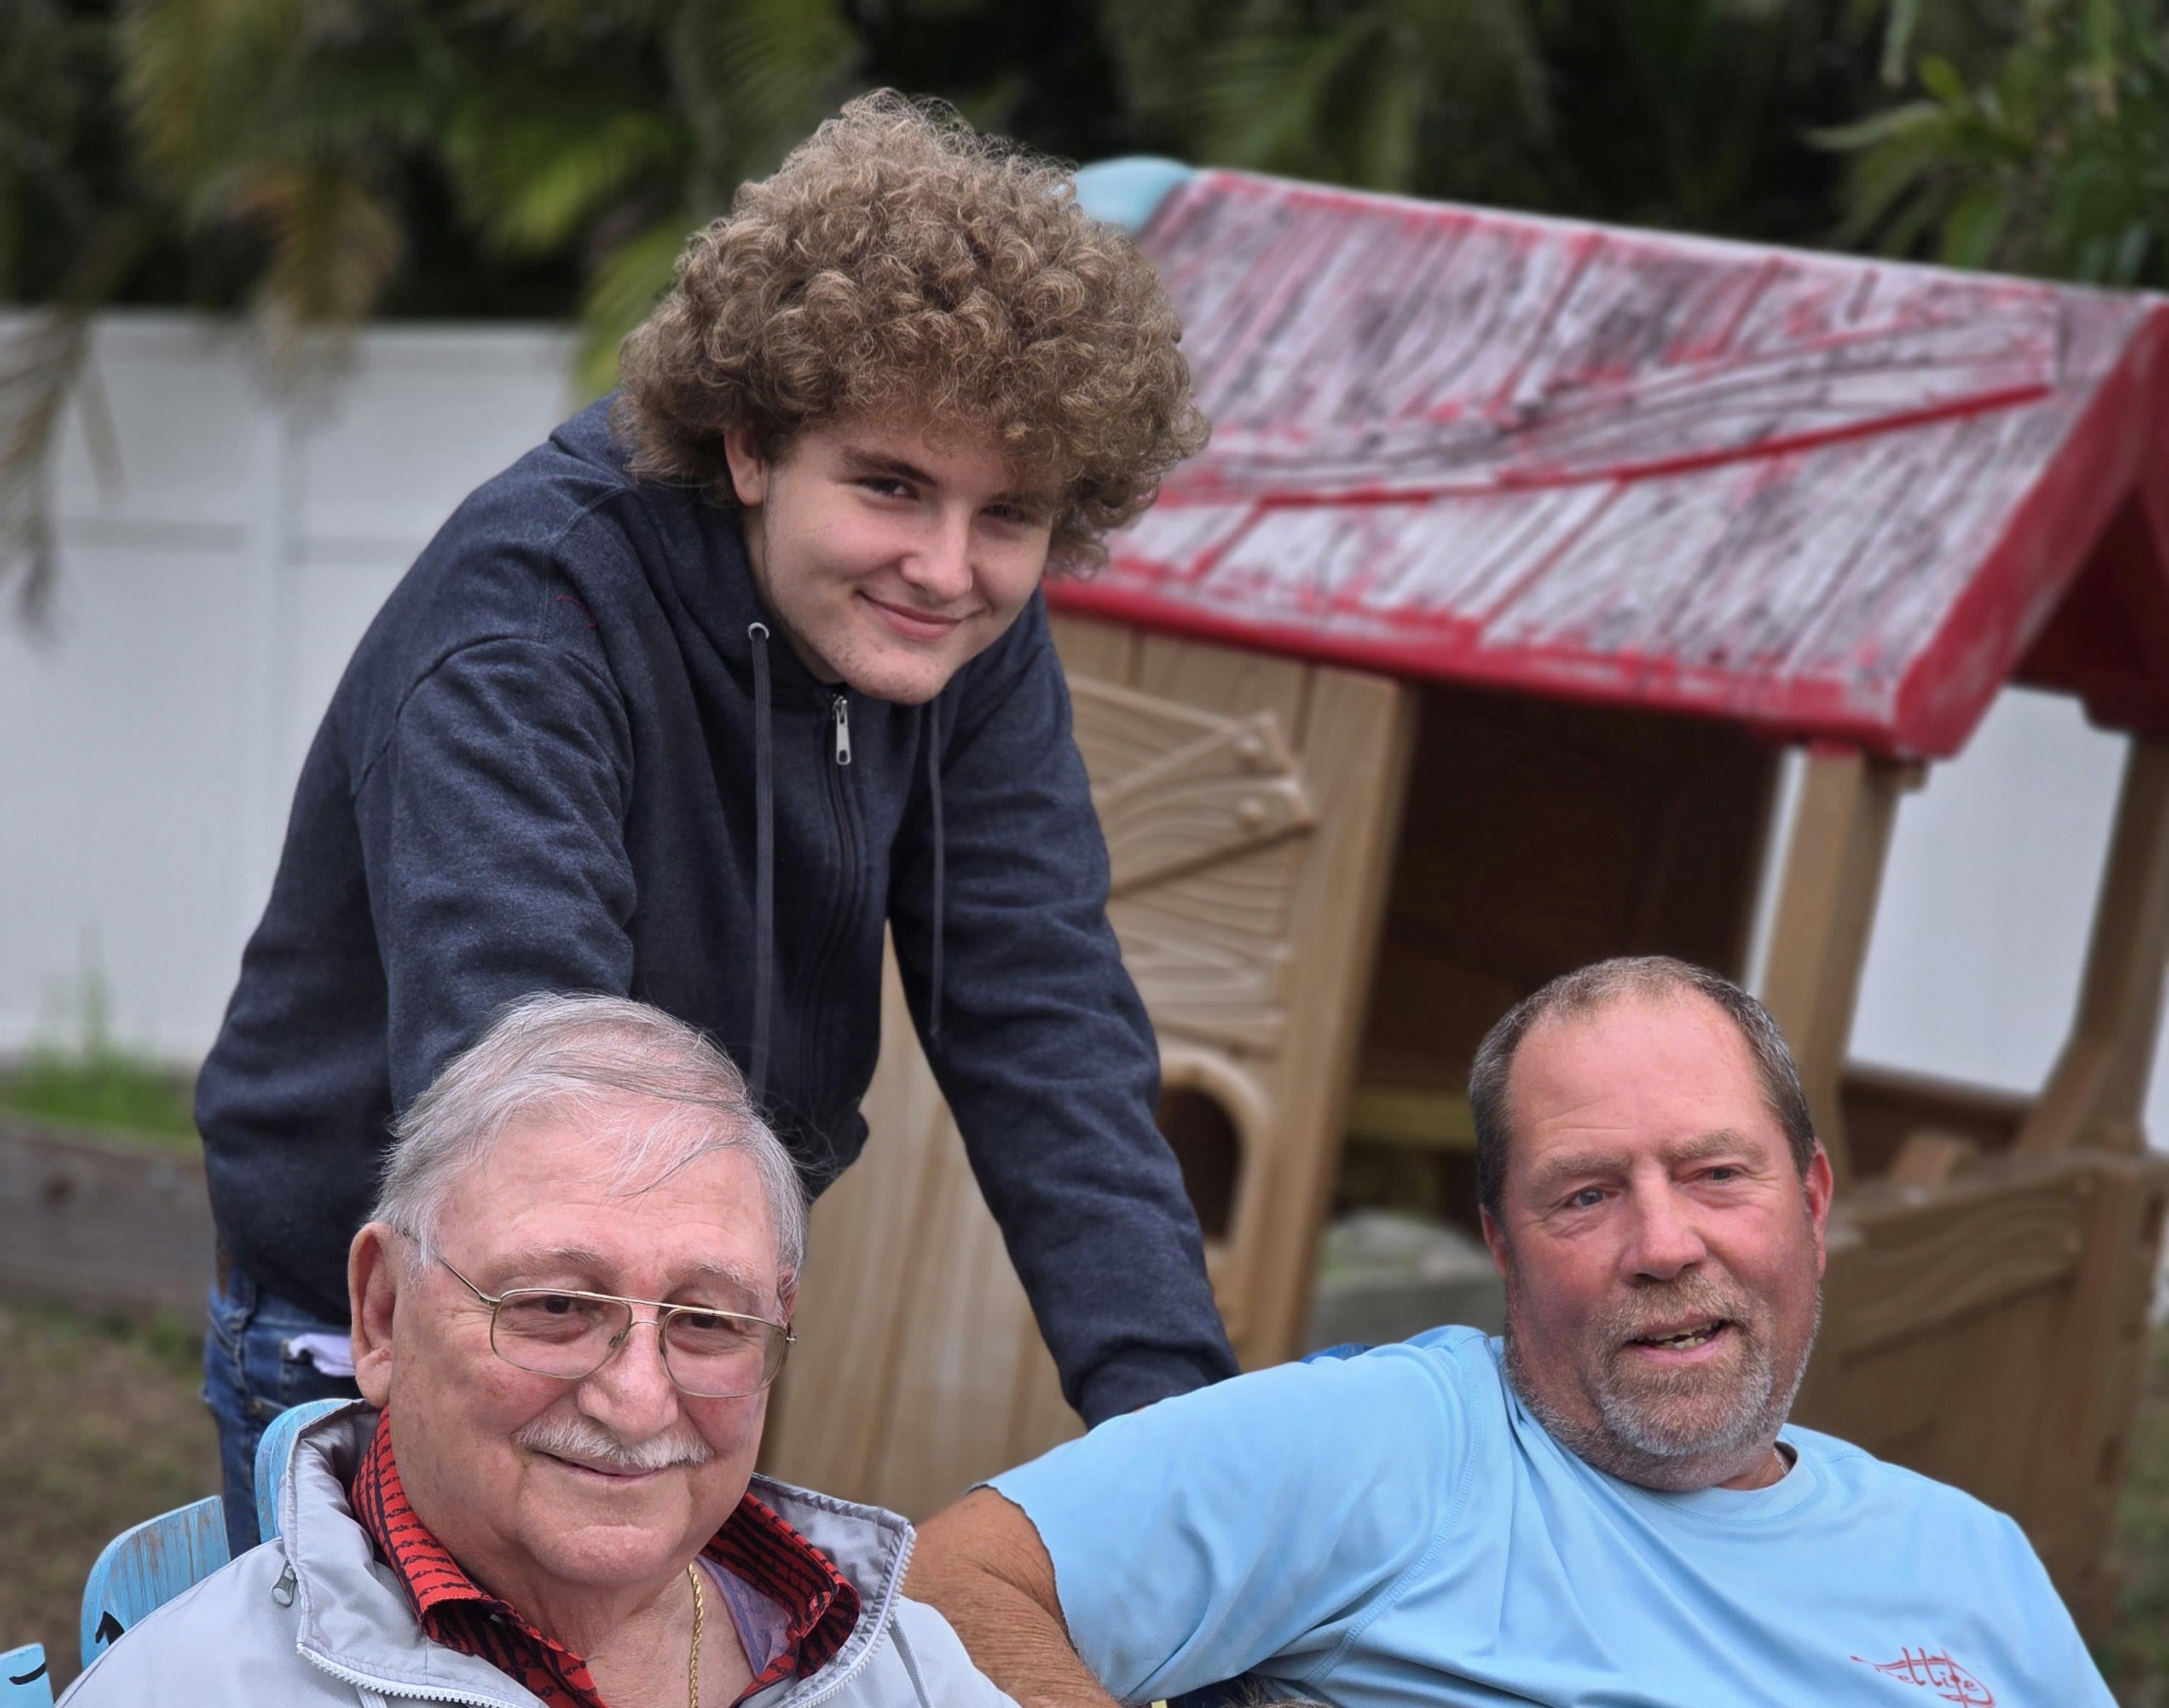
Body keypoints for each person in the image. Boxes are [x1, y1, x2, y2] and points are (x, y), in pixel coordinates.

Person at [192, 90, 1234, 1553]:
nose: (948, 566)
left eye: (1011, 515)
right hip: (418, 1286)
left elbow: (1041, 1013)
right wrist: (671, 1361)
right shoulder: (525, 628)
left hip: (661, 1290)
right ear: (751, 444)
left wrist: (1180, 1429)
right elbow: (531, 1104)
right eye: (892, 485)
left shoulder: (963, 635)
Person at [907, 956, 2115, 1707]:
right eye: (1586, 1195)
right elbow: (947, 1584)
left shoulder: (1976, 1565)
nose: (1663, 1244)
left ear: (1809, 1201)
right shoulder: (1399, 1442)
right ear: (1502, 1242)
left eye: (1714, 1174)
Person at [66, 994, 1018, 1707]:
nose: (639, 1400)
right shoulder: (187, 1687)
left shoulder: (899, 1666)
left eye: (708, 1322)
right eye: (557, 1304)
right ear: (384, 1313)